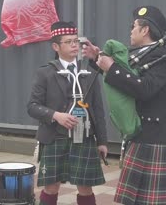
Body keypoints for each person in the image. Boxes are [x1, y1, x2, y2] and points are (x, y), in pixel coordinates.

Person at [83, 6, 166, 204]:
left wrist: (112, 67)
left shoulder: (160, 59)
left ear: (145, 30)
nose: (130, 30)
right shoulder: (145, 54)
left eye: (133, 26)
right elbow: (126, 81)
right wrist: (98, 58)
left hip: (150, 139)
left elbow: (143, 88)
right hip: (139, 136)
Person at [27, 21, 108, 205]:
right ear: (56, 46)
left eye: (76, 41)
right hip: (55, 136)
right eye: (68, 42)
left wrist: (102, 141)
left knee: (86, 186)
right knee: (51, 186)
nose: (74, 45)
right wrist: (56, 115)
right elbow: (32, 106)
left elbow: (97, 108)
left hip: (84, 137)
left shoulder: (88, 71)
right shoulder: (45, 73)